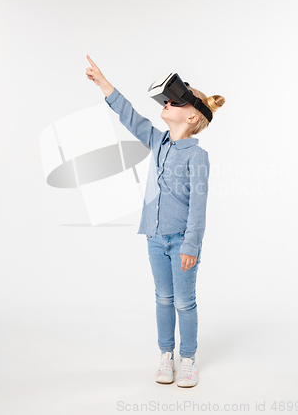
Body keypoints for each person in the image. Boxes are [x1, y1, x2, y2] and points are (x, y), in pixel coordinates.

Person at [85, 55, 225, 388]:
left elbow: (199, 207)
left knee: (184, 301)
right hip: (154, 238)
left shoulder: (197, 156)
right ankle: (166, 355)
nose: (165, 104)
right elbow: (131, 118)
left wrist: (191, 244)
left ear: (192, 116)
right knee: (163, 298)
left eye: (174, 101)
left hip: (181, 242)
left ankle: (187, 359)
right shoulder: (158, 141)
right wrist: (105, 85)